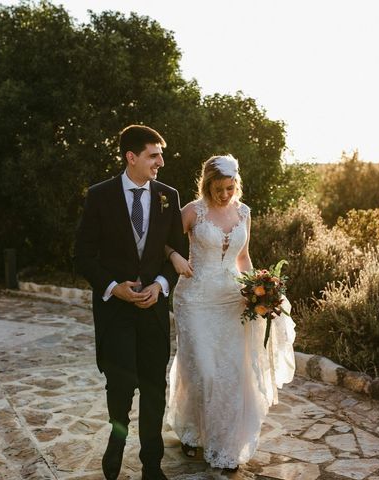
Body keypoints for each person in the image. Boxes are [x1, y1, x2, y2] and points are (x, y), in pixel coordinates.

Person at [165, 154, 296, 472]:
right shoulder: (192, 212)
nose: (225, 194)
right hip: (195, 300)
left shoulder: (244, 212)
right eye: (220, 189)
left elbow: (244, 257)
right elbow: (162, 242)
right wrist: (174, 257)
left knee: (232, 373)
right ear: (207, 185)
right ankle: (193, 429)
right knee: (203, 370)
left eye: (230, 188)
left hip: (232, 300)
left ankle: (226, 443)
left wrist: (256, 288)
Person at [74, 125, 184, 480]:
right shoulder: (100, 195)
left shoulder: (169, 196)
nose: (160, 162)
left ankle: (152, 465)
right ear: (131, 157)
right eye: (154, 155)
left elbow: (177, 253)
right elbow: (83, 255)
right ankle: (117, 440)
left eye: (160, 155)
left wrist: (162, 285)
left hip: (152, 311)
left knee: (155, 386)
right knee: (119, 386)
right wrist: (112, 287)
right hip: (115, 311)